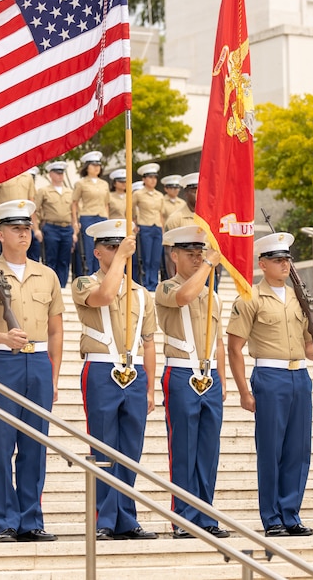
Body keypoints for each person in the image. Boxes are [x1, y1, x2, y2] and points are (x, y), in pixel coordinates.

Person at [226, 232, 313, 538]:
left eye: (287, 259)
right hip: (270, 378)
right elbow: (234, 348)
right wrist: (243, 392)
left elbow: (306, 347)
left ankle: (291, 514)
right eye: (277, 260)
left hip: (299, 377)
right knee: (271, 449)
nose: (285, 265)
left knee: (298, 451)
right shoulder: (248, 298)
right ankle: (272, 517)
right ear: (263, 264)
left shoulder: (297, 298)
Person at [0, 199, 64, 543]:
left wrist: (53, 376)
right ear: (0, 234)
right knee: (2, 446)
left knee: (35, 446)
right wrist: (3, 335)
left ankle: (31, 519)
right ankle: (6, 521)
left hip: (39, 363)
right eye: (15, 228)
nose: (23, 234)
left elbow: (56, 331)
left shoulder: (47, 275)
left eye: (26, 228)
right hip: (3, 362)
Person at [72, 219, 158, 541]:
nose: (117, 251)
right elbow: (105, 296)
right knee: (104, 447)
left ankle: (126, 517)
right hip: (101, 370)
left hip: (134, 372)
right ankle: (104, 518)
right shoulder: (84, 283)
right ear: (97, 252)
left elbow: (148, 342)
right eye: (110, 247)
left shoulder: (142, 294)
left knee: (130, 450)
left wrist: (149, 387)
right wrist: (121, 259)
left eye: (120, 246)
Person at [155, 225, 228, 539]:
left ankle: (205, 514)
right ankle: (183, 517)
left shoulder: (212, 295)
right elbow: (185, 296)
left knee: (208, 452)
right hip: (182, 373)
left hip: (208, 376)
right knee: (184, 449)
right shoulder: (166, 288)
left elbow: (219, 342)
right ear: (174, 256)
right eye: (190, 253)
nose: (198, 258)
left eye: (201, 253)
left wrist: (222, 380)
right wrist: (211, 263)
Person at [34, 161, 75, 287]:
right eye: (57, 173)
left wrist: (75, 232)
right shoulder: (44, 191)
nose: (60, 175)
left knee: (64, 261)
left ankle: (61, 287)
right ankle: (50, 287)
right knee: (51, 259)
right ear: (51, 174)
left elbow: (74, 213)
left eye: (61, 173)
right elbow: (35, 211)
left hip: (67, 228)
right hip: (51, 227)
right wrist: (36, 229)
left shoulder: (70, 192)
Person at [71, 150, 108, 275]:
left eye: (98, 165)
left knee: (103, 249)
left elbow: (106, 203)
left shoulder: (104, 184)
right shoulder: (81, 183)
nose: (97, 167)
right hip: (88, 217)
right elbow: (74, 203)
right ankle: (88, 275)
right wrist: (75, 222)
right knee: (88, 249)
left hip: (102, 217)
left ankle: (101, 274)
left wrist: (107, 218)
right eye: (93, 165)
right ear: (87, 167)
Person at [0, 168, 40, 261]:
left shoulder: (28, 177)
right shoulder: (2, 173)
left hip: (24, 217)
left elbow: (31, 202)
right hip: (7, 219)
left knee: (22, 248)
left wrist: (36, 228)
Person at [132, 162, 164, 290]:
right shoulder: (138, 194)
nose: (153, 180)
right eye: (150, 177)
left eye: (155, 177)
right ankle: (146, 282)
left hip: (157, 227)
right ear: (144, 179)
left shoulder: (159, 195)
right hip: (144, 226)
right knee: (146, 257)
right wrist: (134, 223)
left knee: (156, 258)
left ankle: (154, 282)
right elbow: (130, 209)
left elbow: (161, 213)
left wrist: (162, 229)